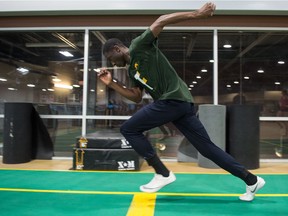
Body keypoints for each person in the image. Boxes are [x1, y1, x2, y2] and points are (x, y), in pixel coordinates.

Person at [97, 2, 265, 201]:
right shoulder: (132, 70)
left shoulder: (139, 46)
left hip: (173, 100)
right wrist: (111, 84)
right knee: (206, 149)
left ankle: (162, 173)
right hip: (179, 105)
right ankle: (251, 180)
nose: (112, 63)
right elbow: (135, 96)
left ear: (117, 49)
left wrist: (197, 14)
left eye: (111, 58)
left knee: (129, 129)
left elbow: (160, 21)